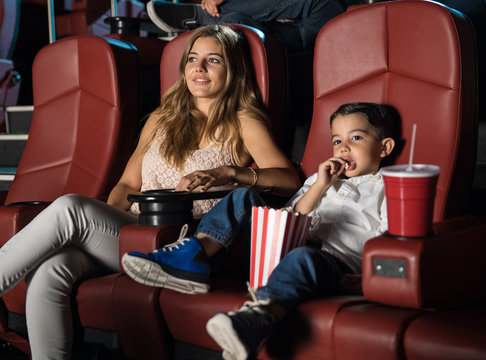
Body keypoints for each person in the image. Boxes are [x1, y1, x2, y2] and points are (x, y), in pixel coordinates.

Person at [0, 24, 300, 360]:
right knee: (51, 268)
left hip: (186, 240)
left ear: (232, 70)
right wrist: (109, 228)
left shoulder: (244, 120)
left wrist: (229, 172)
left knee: (71, 207)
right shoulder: (162, 118)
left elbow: (289, 179)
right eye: (193, 59)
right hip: (136, 233)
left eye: (212, 60)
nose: (198, 69)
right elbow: (127, 186)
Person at [122, 101, 398, 359]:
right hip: (287, 244)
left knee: (303, 257)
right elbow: (288, 219)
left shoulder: (390, 187)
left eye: (356, 138)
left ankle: (257, 318)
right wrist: (320, 187)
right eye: (337, 141)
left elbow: (390, 240)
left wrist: (363, 278)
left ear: (384, 147)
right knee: (242, 196)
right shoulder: (319, 179)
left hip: (334, 265)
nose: (343, 148)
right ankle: (194, 258)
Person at [146, 0, 345, 52]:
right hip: (293, 36)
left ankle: (202, 15)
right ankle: (209, 17)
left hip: (329, 19)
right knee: (234, 21)